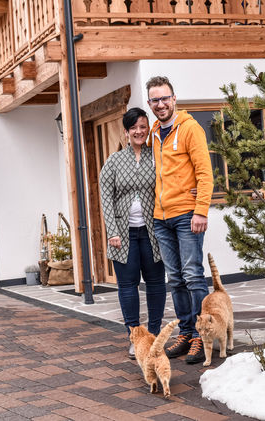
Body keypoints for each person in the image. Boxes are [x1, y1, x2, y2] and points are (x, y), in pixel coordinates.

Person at [146, 76, 214, 364]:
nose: (160, 104)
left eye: (164, 98)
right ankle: (186, 332)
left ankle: (202, 335)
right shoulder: (153, 133)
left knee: (193, 276)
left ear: (174, 99)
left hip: (187, 215)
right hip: (161, 218)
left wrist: (201, 210)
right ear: (149, 104)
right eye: (154, 100)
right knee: (175, 279)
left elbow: (205, 173)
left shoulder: (190, 129)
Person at [99, 107, 167, 359]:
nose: (139, 131)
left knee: (157, 283)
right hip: (123, 234)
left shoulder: (156, 156)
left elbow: (171, 180)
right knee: (128, 286)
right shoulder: (114, 162)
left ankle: (154, 334)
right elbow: (106, 199)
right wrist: (112, 231)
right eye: (134, 128)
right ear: (126, 132)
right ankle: (135, 338)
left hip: (152, 232)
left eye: (142, 126)